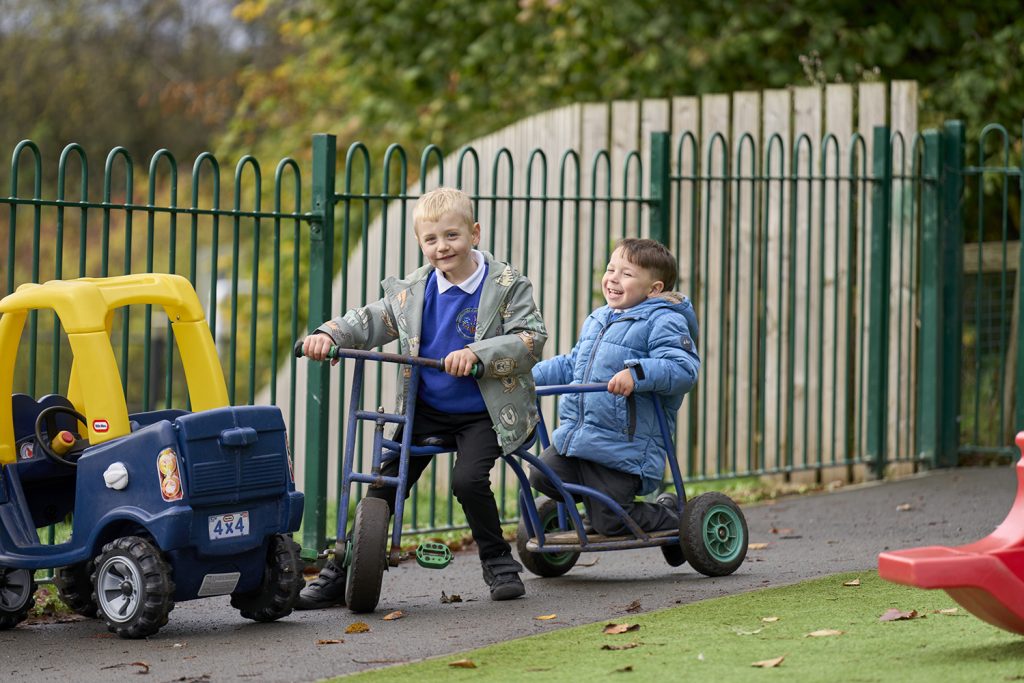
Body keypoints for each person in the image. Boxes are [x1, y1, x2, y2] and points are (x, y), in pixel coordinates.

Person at [298, 187, 547, 607]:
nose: (442, 247)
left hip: (484, 411)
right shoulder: (413, 290)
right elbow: (371, 319)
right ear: (420, 243)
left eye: (452, 236)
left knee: (468, 481)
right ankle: (339, 571)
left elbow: (531, 340)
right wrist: (329, 334)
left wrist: (477, 354)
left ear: (475, 233)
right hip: (427, 409)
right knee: (382, 481)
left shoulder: (507, 286)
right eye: (431, 239)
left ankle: (499, 562)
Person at [529, 237, 699, 565]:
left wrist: (637, 374)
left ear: (653, 288)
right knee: (542, 474)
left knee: (609, 523)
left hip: (623, 448)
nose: (613, 278)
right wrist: (527, 378)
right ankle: (602, 508)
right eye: (610, 269)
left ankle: (675, 518)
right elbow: (572, 364)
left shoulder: (664, 321)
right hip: (579, 439)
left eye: (626, 274)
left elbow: (683, 369)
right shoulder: (598, 319)